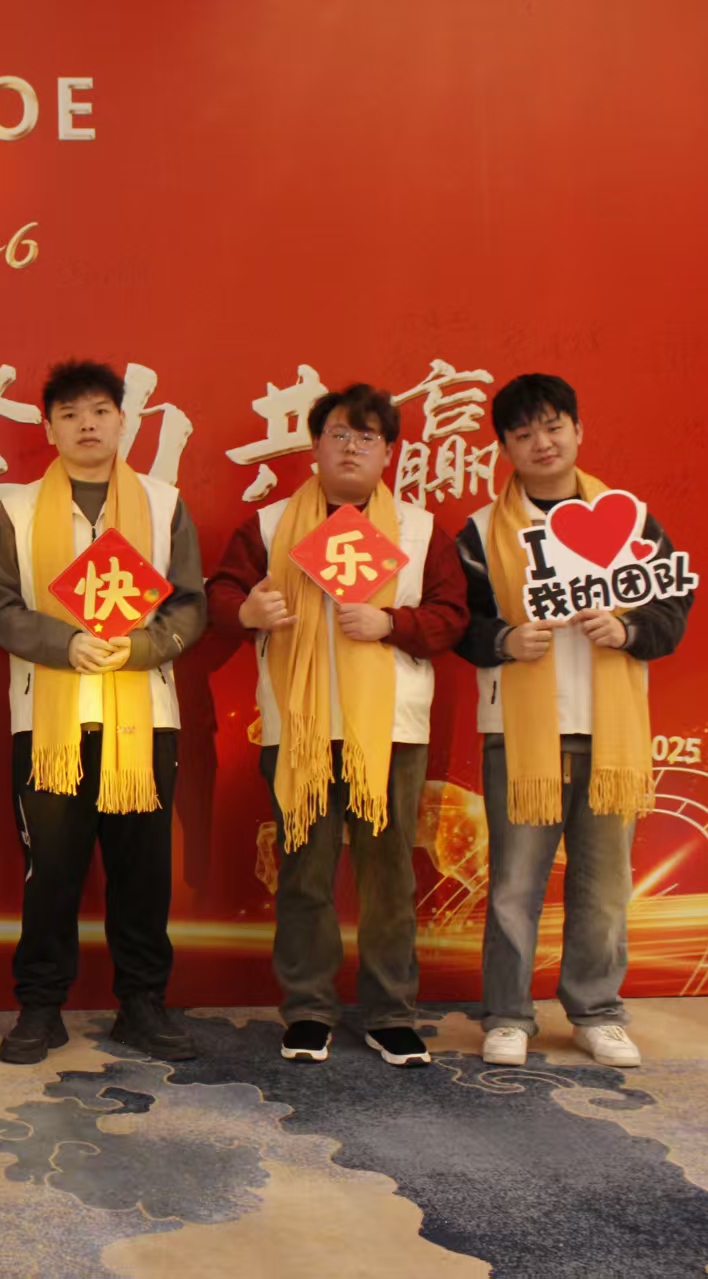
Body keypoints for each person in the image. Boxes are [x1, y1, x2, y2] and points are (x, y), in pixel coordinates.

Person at [206, 384, 467, 1066]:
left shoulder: (418, 528)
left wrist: (391, 622)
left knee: (389, 877)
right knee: (304, 871)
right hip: (299, 726)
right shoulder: (269, 526)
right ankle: (308, 1009)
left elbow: (451, 616)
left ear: (389, 453)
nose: (352, 448)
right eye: (339, 435)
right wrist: (247, 611)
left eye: (367, 437)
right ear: (315, 446)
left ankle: (390, 1013)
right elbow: (221, 593)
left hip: (390, 731)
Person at [455, 374, 691, 1068]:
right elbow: (458, 622)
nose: (542, 442)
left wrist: (627, 630)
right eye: (523, 433)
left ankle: (596, 1012)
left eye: (553, 426)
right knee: (512, 887)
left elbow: (671, 608)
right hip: (519, 735)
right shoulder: (480, 531)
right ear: (504, 447)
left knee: (604, 886)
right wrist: (504, 640)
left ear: (578, 431)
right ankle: (507, 1015)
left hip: (608, 731)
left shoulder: (629, 517)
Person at [0, 361, 208, 1064]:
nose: (87, 425)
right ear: (48, 428)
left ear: (121, 421)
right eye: (71, 413)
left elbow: (189, 604)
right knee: (48, 871)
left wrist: (141, 647)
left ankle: (142, 1003)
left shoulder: (163, 504)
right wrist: (65, 643)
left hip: (144, 718)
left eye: (100, 411)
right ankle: (39, 1006)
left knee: (142, 870)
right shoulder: (17, 511)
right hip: (48, 721)